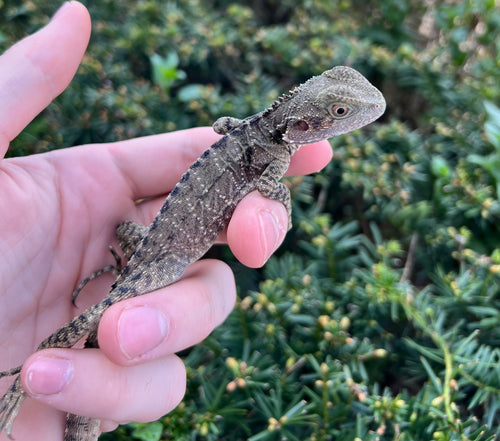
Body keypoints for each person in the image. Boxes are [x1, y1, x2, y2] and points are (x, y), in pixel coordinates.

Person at [0, 2, 333, 440]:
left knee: (111, 317)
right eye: (340, 116)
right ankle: (16, 388)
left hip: (152, 247)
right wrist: (283, 199)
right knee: (96, 318)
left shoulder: (255, 131)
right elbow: (269, 188)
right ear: (306, 122)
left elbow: (221, 123)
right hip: (163, 259)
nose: (342, 123)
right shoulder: (269, 153)